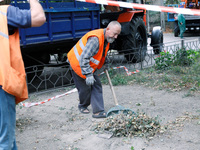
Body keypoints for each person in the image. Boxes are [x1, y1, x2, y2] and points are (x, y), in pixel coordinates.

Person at [0, 0, 46, 149]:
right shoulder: (5, 12)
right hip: (2, 82)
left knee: (7, 137)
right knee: (5, 141)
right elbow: (39, 17)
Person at [67, 21, 121, 118]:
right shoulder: (95, 39)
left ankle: (98, 111)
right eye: (115, 34)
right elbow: (83, 58)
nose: (116, 37)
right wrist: (88, 75)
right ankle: (82, 106)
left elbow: (100, 53)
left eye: (117, 34)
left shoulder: (106, 39)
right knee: (85, 89)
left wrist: (105, 63)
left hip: (89, 66)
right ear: (108, 29)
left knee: (96, 85)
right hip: (77, 64)